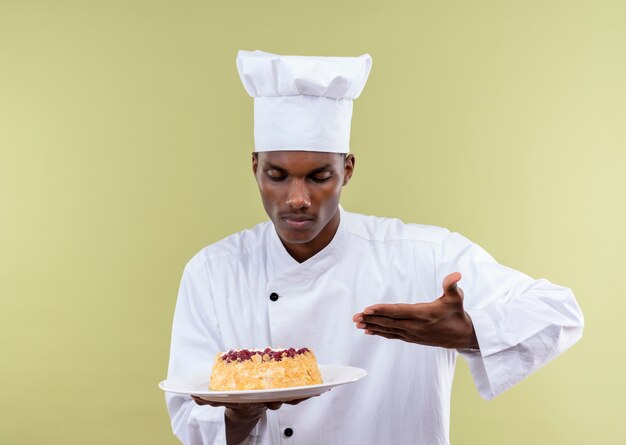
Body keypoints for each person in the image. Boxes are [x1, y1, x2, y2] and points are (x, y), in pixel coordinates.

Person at [165, 50, 584, 445]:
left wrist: (469, 331)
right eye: (277, 175)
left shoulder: (423, 254)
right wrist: (240, 414)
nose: (297, 198)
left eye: (318, 176)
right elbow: (192, 426)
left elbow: (561, 313)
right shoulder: (213, 272)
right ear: (255, 168)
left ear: (346, 170)